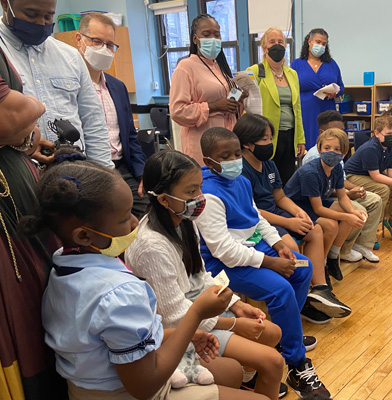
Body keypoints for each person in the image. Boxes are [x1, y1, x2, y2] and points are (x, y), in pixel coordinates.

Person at [22, 160, 268, 400]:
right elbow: (145, 386)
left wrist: (183, 333)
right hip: (131, 390)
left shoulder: (62, 266)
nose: (133, 223)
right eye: (124, 218)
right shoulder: (120, 293)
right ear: (85, 235)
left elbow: (115, 339)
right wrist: (198, 314)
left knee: (232, 371)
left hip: (89, 386)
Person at [126, 150, 286, 400]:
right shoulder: (151, 247)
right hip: (180, 328)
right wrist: (233, 323)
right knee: (274, 362)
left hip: (198, 310)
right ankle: (246, 380)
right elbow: (175, 318)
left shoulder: (184, 220)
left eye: (199, 188)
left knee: (272, 333)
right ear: (164, 199)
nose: (200, 198)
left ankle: (245, 381)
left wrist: (235, 306)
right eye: (191, 192)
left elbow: (201, 275)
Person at [196, 127, 331, 399]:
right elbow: (223, 250)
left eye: (236, 153)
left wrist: (279, 244)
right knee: (280, 288)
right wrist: (269, 262)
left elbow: (256, 217)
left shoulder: (241, 181)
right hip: (224, 263)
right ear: (209, 161)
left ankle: (283, 334)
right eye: (226, 156)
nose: (235, 159)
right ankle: (297, 364)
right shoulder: (208, 193)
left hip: (253, 250)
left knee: (303, 268)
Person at [234, 113, 351, 325]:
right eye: (264, 140)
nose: (270, 143)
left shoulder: (268, 164)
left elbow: (279, 197)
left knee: (314, 229)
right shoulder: (240, 170)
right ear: (247, 143)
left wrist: (298, 212)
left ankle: (320, 289)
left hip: (276, 214)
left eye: (270, 138)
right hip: (257, 221)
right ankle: (301, 297)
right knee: (288, 245)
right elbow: (252, 210)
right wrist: (288, 222)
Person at [0, 44, 66, 399]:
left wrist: (24, 137)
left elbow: (16, 123)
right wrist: (30, 112)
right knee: (20, 315)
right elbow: (14, 114)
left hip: (19, 185)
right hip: (7, 223)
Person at [0, 0, 113, 167]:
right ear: (5, 4)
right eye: (31, 14)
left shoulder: (71, 57)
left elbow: (93, 121)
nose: (40, 23)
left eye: (48, 16)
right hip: (17, 175)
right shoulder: (3, 54)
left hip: (74, 173)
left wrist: (104, 175)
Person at [75, 13, 148, 218]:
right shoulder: (71, 87)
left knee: (147, 214)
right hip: (90, 171)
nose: (104, 49)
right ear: (79, 39)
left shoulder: (117, 87)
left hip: (122, 168)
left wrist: (142, 173)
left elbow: (131, 136)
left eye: (109, 45)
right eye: (97, 41)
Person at [285, 128, 367, 283]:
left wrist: (352, 212)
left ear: (343, 152)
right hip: (297, 207)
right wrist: (347, 217)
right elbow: (318, 209)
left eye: (337, 149)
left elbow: (342, 197)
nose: (331, 152)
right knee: (331, 225)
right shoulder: (310, 172)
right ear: (319, 149)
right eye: (327, 148)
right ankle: (320, 265)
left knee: (352, 210)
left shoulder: (337, 167)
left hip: (314, 203)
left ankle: (333, 256)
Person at [303, 110, 383, 262]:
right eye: (327, 148)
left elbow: (340, 181)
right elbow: (321, 193)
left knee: (374, 200)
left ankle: (362, 245)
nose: (339, 134)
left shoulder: (336, 156)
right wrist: (348, 200)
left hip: (332, 195)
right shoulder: (315, 158)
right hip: (316, 201)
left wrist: (354, 188)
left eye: (342, 130)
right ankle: (342, 249)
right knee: (357, 212)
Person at [170, 14, 245, 165]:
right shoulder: (185, 67)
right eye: (206, 34)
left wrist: (237, 99)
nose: (213, 38)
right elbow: (177, 111)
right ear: (195, 39)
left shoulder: (220, 67)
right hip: (202, 143)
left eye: (216, 35)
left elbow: (227, 106)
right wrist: (213, 106)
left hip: (227, 142)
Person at [344, 113, 392, 242]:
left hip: (370, 175)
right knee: (383, 189)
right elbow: (376, 177)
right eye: (389, 134)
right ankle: (372, 227)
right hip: (353, 176)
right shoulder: (370, 148)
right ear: (377, 133)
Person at [247, 27, 305, 185]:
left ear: (285, 46)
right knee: (268, 178)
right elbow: (245, 102)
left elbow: (297, 108)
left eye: (280, 41)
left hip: (290, 135)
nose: (277, 45)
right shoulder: (255, 71)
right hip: (266, 135)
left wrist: (300, 139)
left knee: (287, 178)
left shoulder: (292, 74)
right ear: (265, 48)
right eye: (272, 42)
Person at [291, 28, 344, 149]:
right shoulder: (296, 64)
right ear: (309, 41)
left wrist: (335, 92)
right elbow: (291, 88)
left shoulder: (332, 64)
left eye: (324, 44)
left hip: (327, 109)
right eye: (318, 42)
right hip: (306, 111)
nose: (321, 46)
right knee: (308, 143)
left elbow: (341, 86)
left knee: (330, 142)